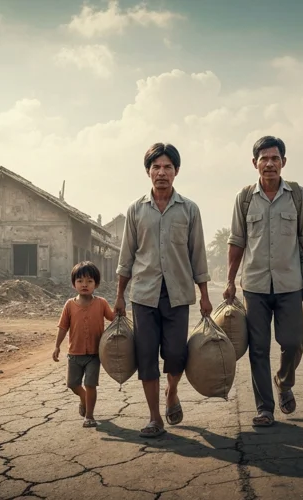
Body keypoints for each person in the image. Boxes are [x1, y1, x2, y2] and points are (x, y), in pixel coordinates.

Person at [115, 142, 212, 438]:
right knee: (146, 356)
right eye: (156, 167)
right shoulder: (136, 210)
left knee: (175, 354)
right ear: (148, 172)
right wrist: (119, 296)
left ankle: (172, 393)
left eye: (168, 167)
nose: (162, 172)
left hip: (178, 294)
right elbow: (126, 257)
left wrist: (205, 294)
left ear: (177, 171)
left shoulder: (189, 209)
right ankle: (154, 417)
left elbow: (198, 255)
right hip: (143, 296)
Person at [223, 135, 303, 427]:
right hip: (254, 286)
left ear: (283, 162)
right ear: (255, 163)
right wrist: (230, 280)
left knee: (293, 342)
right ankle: (265, 408)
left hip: (290, 284)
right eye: (263, 159)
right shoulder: (244, 198)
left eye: (275, 159)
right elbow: (236, 241)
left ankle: (284, 380)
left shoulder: (297, 195)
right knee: (259, 348)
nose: (269, 164)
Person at [53, 261, 116, 428]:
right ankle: (83, 398)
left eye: (89, 281)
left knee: (90, 384)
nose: (84, 285)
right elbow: (63, 327)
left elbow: (112, 317)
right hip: (74, 354)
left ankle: (89, 416)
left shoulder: (101, 303)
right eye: (80, 281)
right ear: (74, 283)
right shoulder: (69, 304)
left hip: (94, 355)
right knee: (73, 384)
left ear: (96, 283)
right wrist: (57, 346)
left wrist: (120, 306)